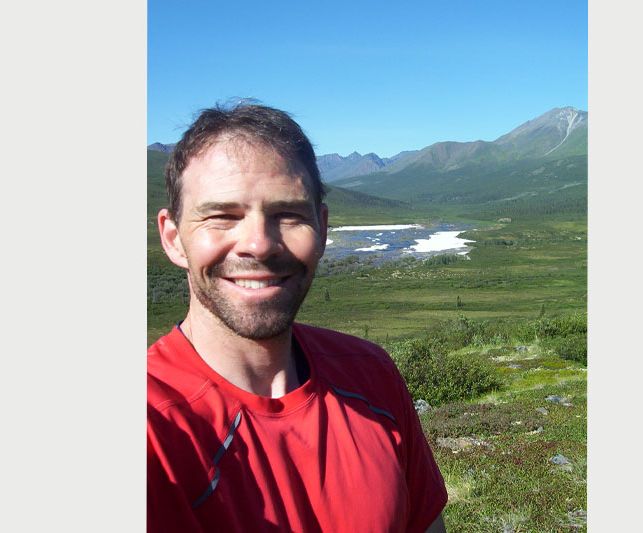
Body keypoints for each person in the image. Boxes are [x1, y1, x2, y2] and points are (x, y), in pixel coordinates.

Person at [147, 102, 448, 532]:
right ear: (174, 239)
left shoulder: (373, 375)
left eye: (287, 214)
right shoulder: (154, 427)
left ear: (322, 231)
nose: (259, 244)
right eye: (222, 216)